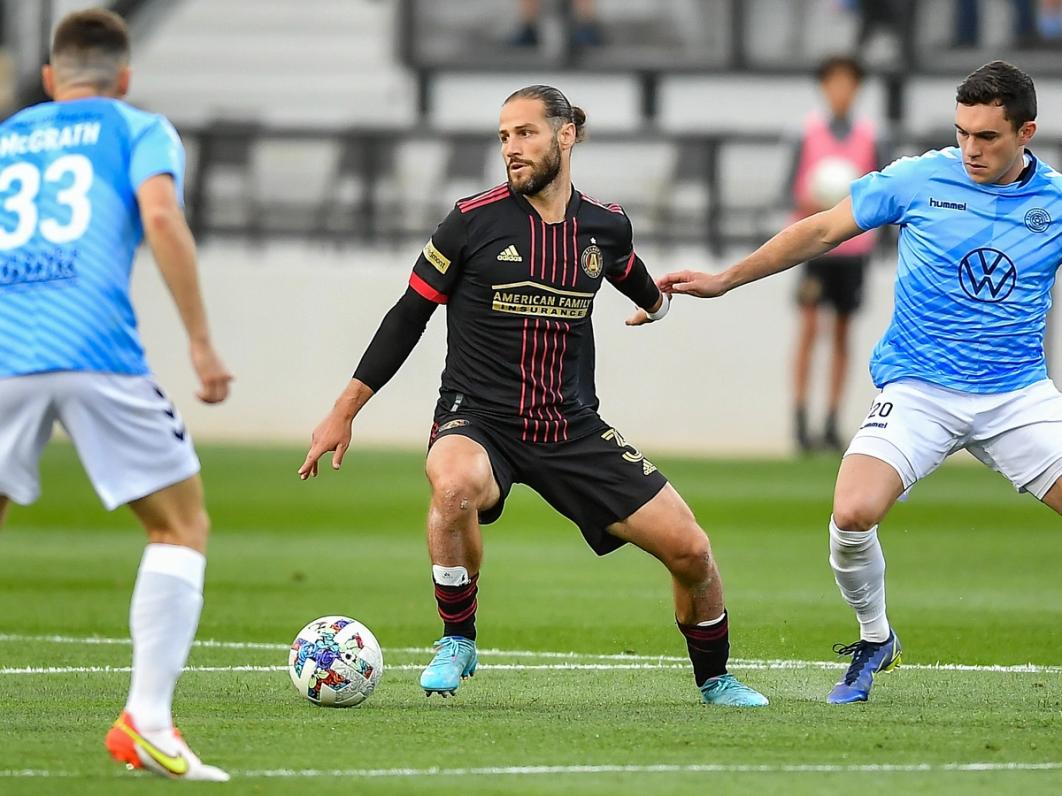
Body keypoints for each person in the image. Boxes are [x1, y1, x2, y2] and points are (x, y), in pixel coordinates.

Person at [299, 84, 768, 708]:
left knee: (692, 550)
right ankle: (457, 638)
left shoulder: (605, 225)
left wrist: (656, 307)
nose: (511, 149)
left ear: (565, 135)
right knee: (454, 484)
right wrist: (344, 410)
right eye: (503, 137)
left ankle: (716, 678)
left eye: (524, 134)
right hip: (478, 420)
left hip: (571, 427)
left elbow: (628, 274)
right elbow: (408, 314)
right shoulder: (471, 220)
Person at [647, 61, 1062, 703]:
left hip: (1017, 397)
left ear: (1026, 132)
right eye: (962, 134)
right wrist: (726, 278)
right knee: (851, 513)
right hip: (919, 388)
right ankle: (875, 638)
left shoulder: (1055, 204)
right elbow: (819, 230)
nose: (971, 149)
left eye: (987, 137)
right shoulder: (920, 178)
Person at [0, 9, 233, 779]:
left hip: (5, 351)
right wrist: (200, 340)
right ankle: (148, 721)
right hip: (92, 347)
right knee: (179, 526)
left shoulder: (8, 137)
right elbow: (160, 215)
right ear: (123, 77)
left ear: (48, 78)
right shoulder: (138, 128)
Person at [788, 55, 882, 452]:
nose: (841, 91)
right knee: (810, 330)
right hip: (813, 247)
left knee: (843, 333)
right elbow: (789, 189)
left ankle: (831, 419)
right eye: (834, 83)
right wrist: (811, 199)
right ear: (825, 88)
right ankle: (800, 417)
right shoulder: (807, 134)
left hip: (854, 248)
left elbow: (880, 192)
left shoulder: (869, 136)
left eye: (849, 83)